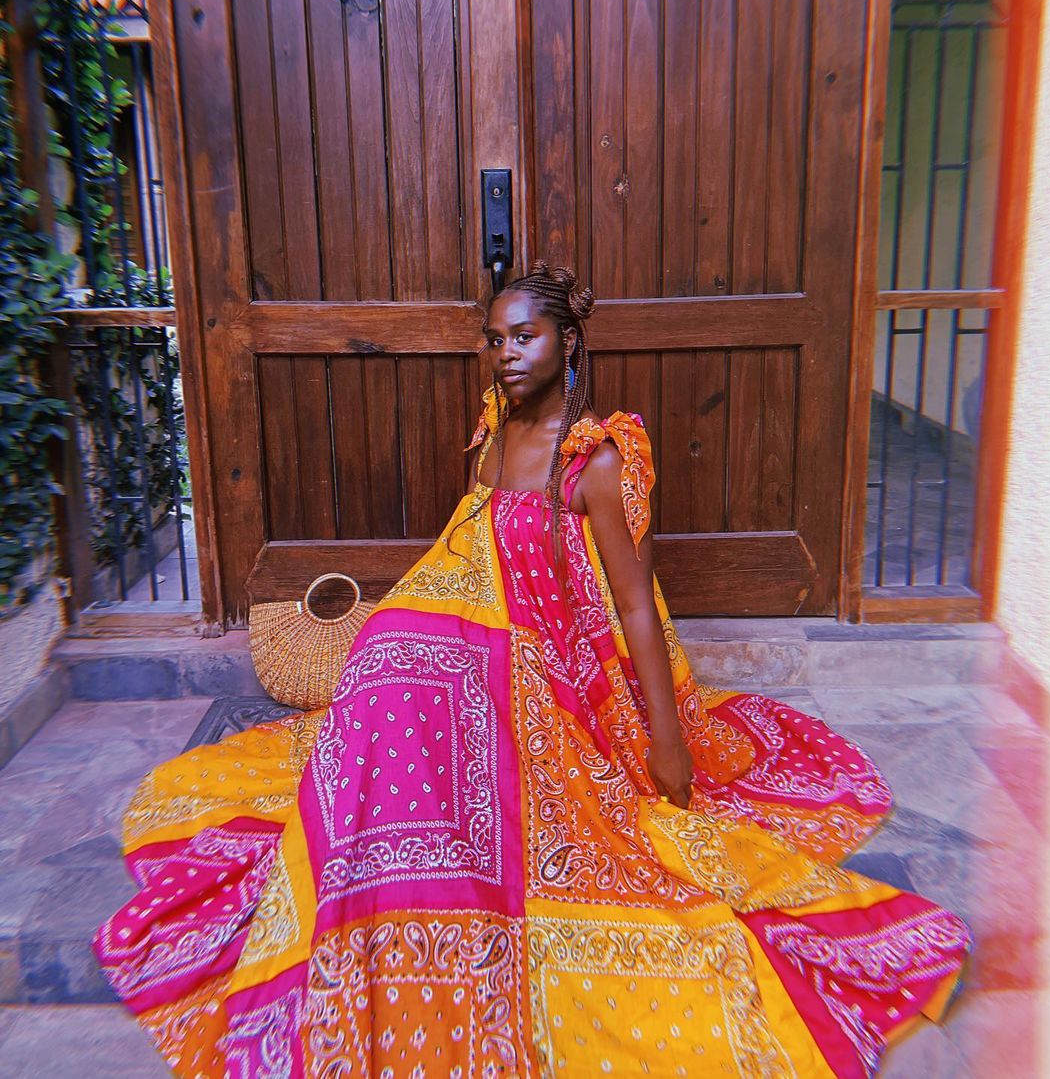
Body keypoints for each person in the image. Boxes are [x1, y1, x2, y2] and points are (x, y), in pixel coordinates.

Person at [93, 260, 971, 1077]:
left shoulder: (596, 458)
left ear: (568, 342)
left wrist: (669, 742)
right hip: (461, 634)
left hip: (543, 667)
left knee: (419, 702)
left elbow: (633, 605)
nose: (506, 354)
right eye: (496, 338)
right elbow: (469, 545)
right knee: (376, 676)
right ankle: (363, 871)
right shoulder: (496, 424)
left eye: (524, 337)